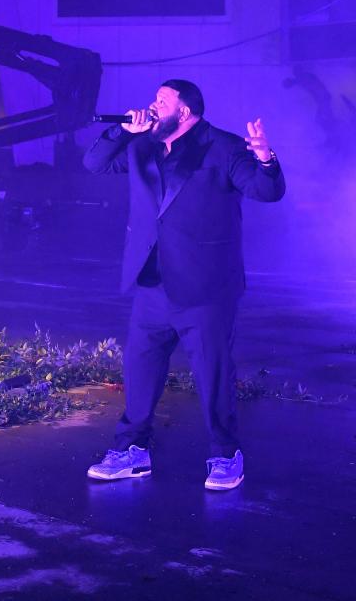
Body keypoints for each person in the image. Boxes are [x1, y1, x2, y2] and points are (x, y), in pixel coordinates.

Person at [82, 80, 286, 491]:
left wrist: (266, 158)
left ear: (186, 112)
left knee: (212, 373)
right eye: (154, 99)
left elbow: (268, 191)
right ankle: (132, 451)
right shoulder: (142, 145)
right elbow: (94, 163)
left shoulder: (223, 147)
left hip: (206, 285)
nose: (152, 106)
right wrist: (124, 131)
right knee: (139, 368)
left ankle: (225, 454)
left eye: (162, 101)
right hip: (152, 281)